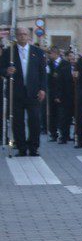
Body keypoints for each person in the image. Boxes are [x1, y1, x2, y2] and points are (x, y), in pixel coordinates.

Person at [1, 28, 47, 156]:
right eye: (20, 34)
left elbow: (42, 72)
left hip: (33, 92)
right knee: (17, 121)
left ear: (29, 36)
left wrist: (43, 89)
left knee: (34, 121)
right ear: (16, 36)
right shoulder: (9, 52)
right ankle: (21, 147)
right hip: (16, 92)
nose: (22, 36)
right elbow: (1, 68)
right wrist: (6, 71)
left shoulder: (37, 52)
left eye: (25, 34)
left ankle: (33, 147)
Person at [49, 47, 74, 143]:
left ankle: (66, 135)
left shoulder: (65, 64)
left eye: (50, 53)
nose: (49, 56)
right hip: (53, 93)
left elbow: (65, 82)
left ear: (56, 53)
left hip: (65, 94)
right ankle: (54, 134)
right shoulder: (49, 64)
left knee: (65, 116)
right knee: (53, 115)